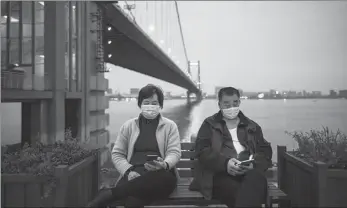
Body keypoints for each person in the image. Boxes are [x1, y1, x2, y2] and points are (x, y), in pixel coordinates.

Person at [88, 84, 181, 208]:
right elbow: (117, 153)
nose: (150, 106)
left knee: (164, 179)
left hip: (160, 174)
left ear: (160, 105)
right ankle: (111, 195)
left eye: (154, 103)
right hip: (133, 174)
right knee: (134, 201)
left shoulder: (170, 126)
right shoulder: (129, 126)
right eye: (147, 102)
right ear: (140, 104)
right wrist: (128, 171)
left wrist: (164, 164)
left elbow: (174, 152)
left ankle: (109, 194)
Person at [189, 87, 273, 208]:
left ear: (239, 102)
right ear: (219, 104)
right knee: (239, 190)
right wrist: (225, 164)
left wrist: (253, 164)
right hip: (218, 174)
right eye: (226, 104)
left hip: (249, 172)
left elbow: (265, 151)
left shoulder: (252, 126)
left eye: (235, 103)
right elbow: (202, 151)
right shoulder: (209, 124)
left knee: (255, 179)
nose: (231, 107)